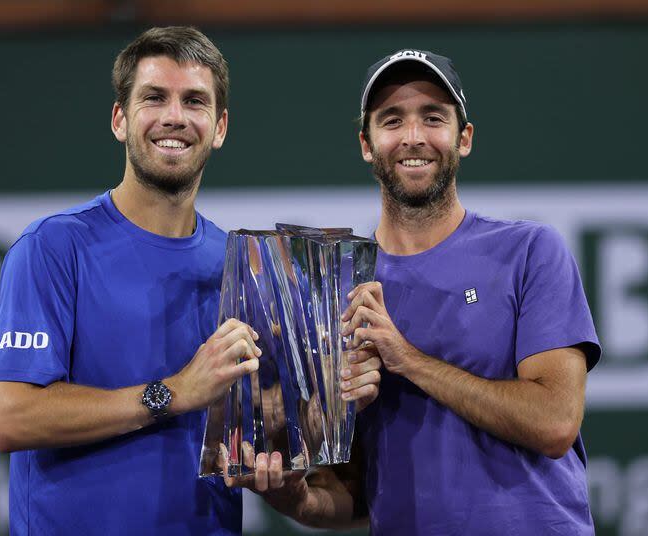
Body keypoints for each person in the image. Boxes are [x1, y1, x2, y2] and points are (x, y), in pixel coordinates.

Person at [0, 26, 381, 535]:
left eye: (194, 101)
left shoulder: (247, 267)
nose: (174, 117)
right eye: (154, 98)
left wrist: (333, 400)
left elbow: (282, 432)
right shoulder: (52, 248)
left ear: (220, 127)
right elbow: (12, 417)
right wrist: (172, 393)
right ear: (120, 119)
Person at [240, 49, 601, 535]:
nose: (413, 137)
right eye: (392, 120)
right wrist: (295, 495)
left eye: (433, 118)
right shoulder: (335, 287)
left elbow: (556, 422)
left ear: (463, 138)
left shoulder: (530, 251)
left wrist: (407, 359)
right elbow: (351, 494)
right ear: (367, 143)